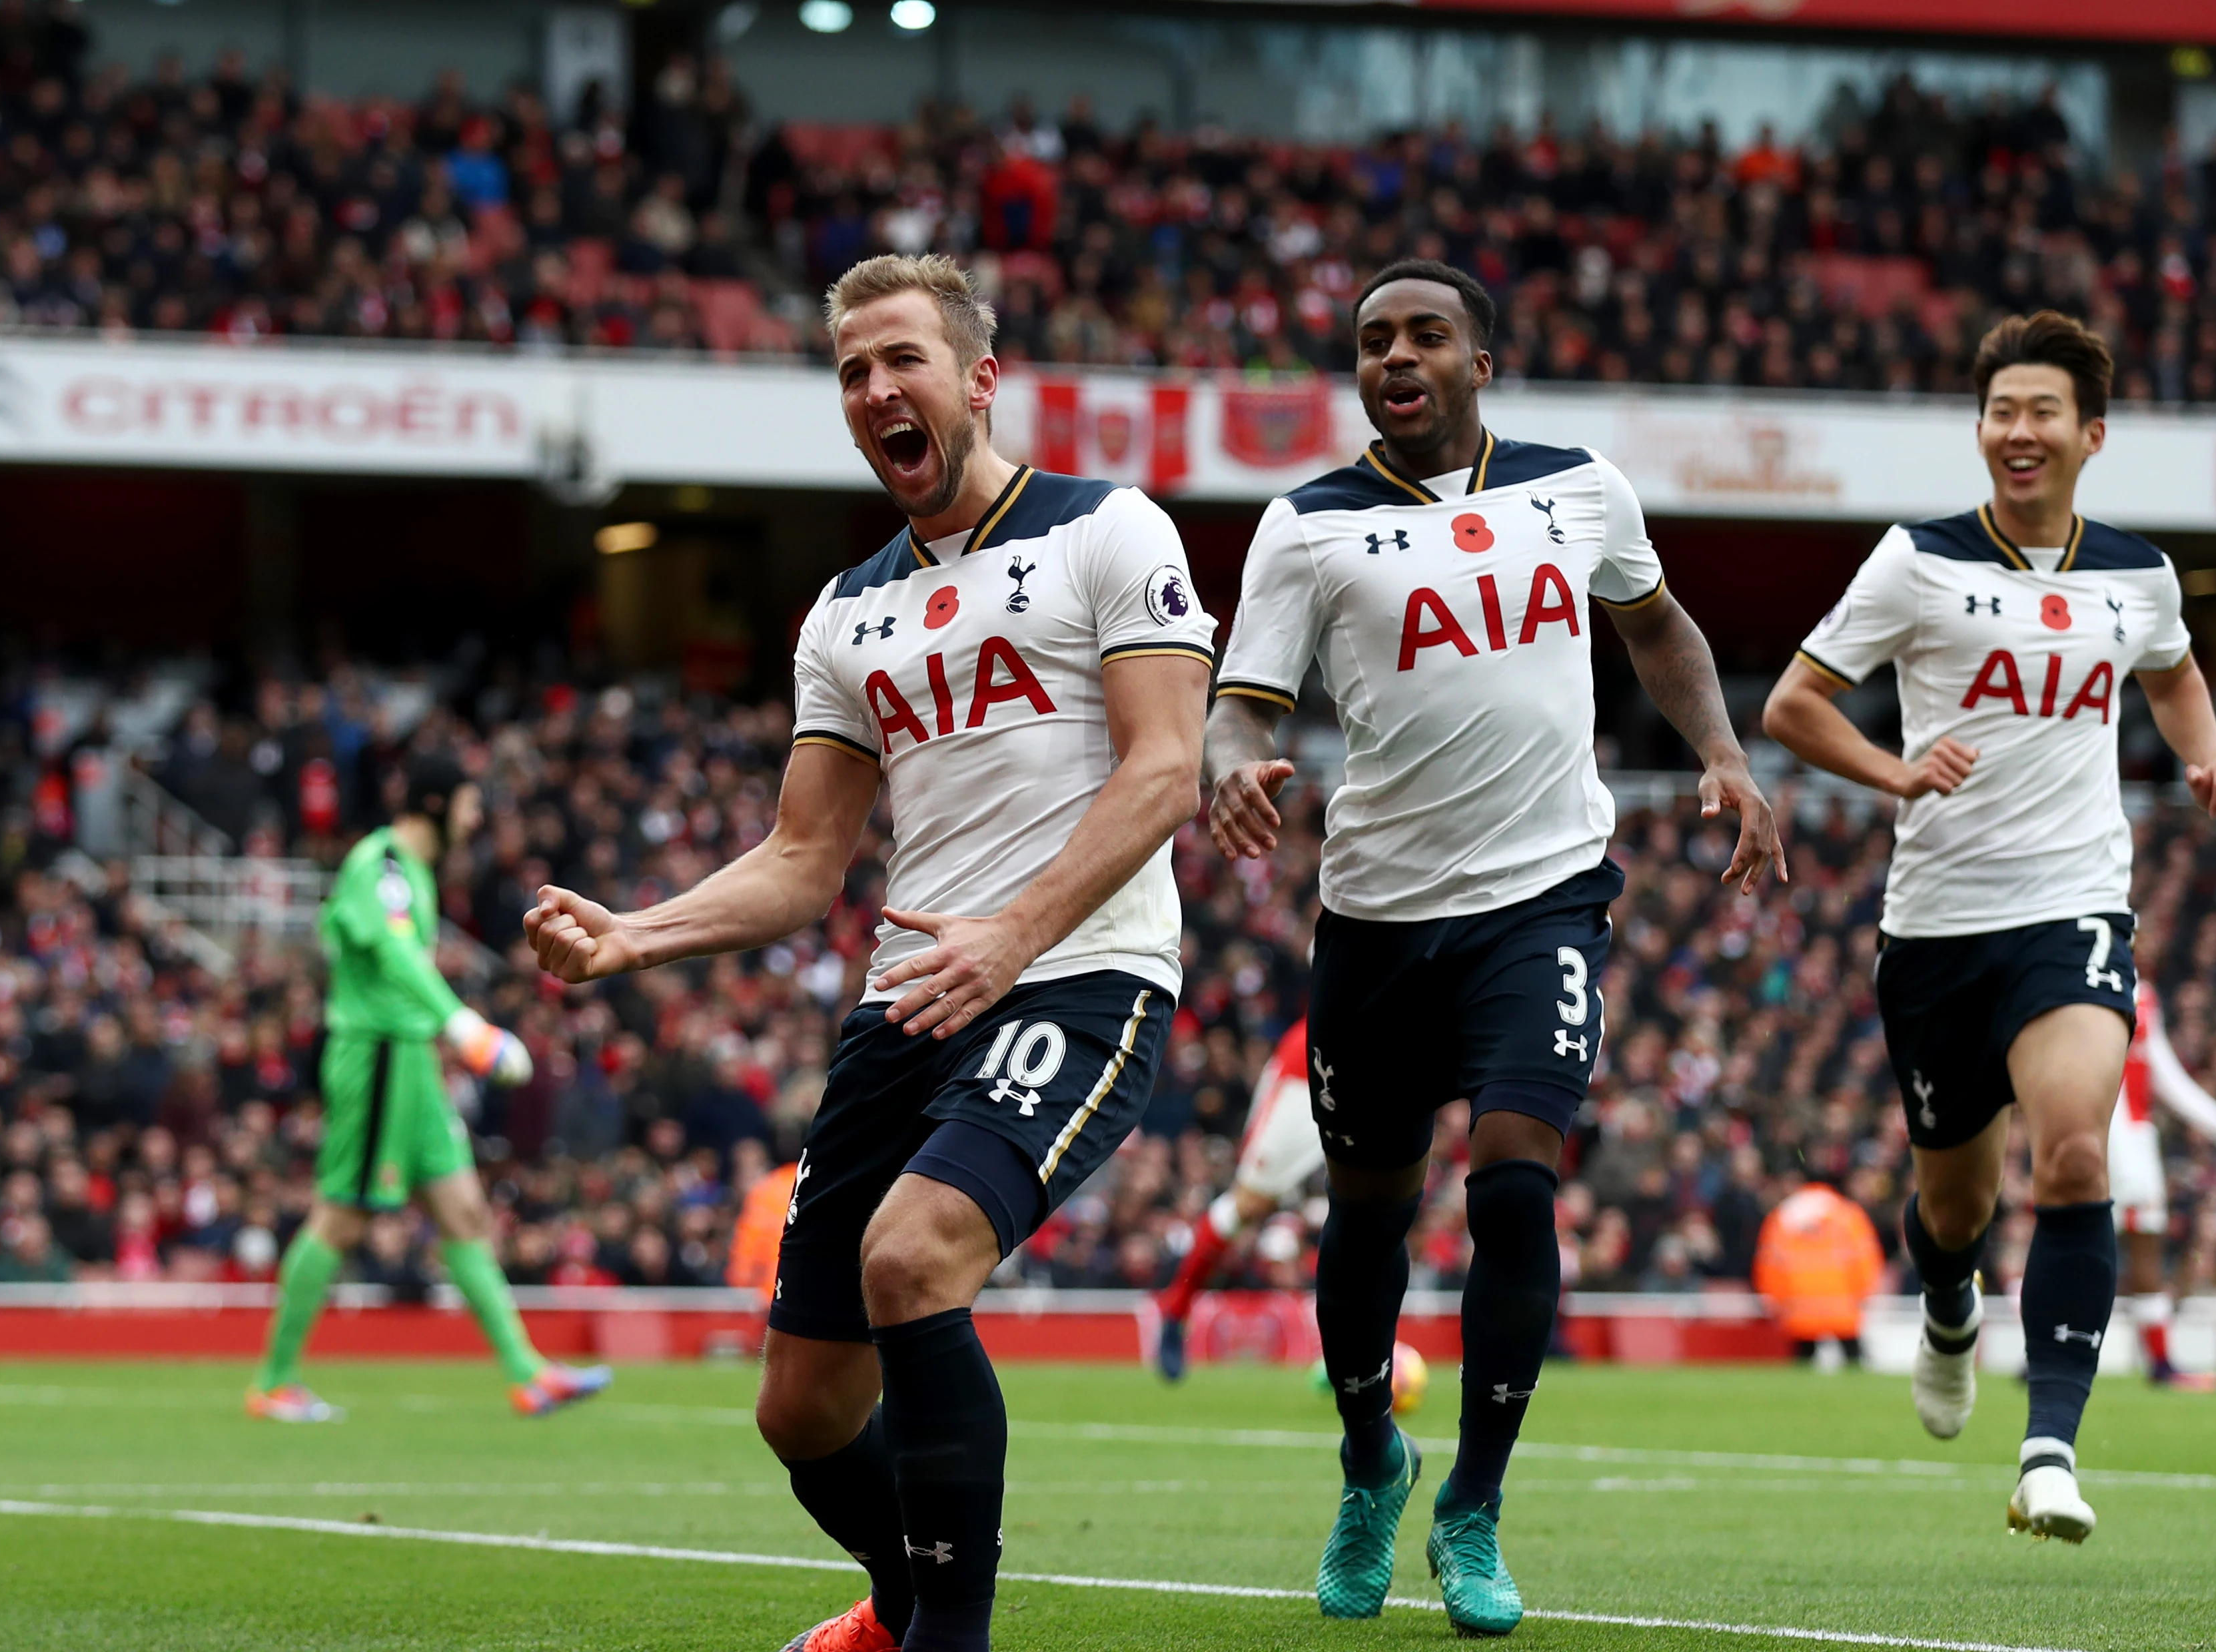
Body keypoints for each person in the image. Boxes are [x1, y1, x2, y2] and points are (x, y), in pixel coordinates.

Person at [522, 252, 1215, 1652]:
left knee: (912, 1260)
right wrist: (631, 935)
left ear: (975, 378)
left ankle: (942, 1644)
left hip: (1077, 974)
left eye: (900, 360)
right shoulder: (844, 611)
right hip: (907, 1005)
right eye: (850, 371)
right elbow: (801, 858)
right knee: (802, 1408)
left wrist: (1014, 930)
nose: (875, 389)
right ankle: (900, 1605)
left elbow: (1164, 772)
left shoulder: (1109, 530)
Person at [1207, 256, 1782, 1635]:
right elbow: (1241, 703)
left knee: (1515, 1186)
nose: (1393, 357)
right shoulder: (1303, 526)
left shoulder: (1578, 486)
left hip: (1544, 901)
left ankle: (1470, 1501)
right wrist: (1226, 765)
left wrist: (1720, 753)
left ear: (1480, 360)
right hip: (1376, 921)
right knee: (1365, 1222)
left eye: (1422, 335)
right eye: (1369, 341)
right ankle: (1369, 1460)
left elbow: (1655, 623)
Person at [1763, 309, 2216, 1544]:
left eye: (2040, 412)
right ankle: (1946, 1309)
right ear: (1978, 430)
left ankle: (2047, 1450)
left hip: (2073, 907)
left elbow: (2172, 668)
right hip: (1933, 929)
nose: (2016, 432)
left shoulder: (2136, 575)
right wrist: (1892, 772)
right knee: (1951, 1212)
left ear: (2089, 435)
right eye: (1999, 412)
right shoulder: (1914, 562)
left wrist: (2204, 764)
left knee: (2076, 1157)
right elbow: (1790, 705)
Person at [248, 751, 611, 1423]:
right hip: (379, 1054)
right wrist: (462, 1025)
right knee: (343, 1214)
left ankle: (527, 1373)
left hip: (410, 1057)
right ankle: (274, 1380)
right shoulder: (381, 863)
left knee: (465, 1212)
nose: (476, 819)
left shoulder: (408, 870)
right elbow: (392, 953)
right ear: (437, 804)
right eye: (470, 805)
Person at [1146, 1017, 1319, 1380]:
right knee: (1249, 1203)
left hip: (1383, 1065)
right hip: (1315, 1065)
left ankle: (1360, 1357)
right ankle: (1175, 1311)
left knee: (1372, 1199)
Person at [2113, 976, 2216, 1388]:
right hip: (2119, 1142)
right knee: (2119, 1246)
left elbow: (2165, 1075)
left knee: (2112, 1245)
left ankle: (2045, 1354)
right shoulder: (2104, 980)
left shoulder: (2142, 993)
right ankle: (2157, 1364)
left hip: (2126, 1139)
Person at [1754, 1166, 1883, 1365]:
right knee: (1853, 1359)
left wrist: (1776, 1300)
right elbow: (1866, 1258)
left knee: (1804, 1360)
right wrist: (1865, 1293)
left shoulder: (1782, 1216)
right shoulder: (1849, 1214)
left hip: (1799, 1307)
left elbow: (1770, 1263)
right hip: (1843, 1305)